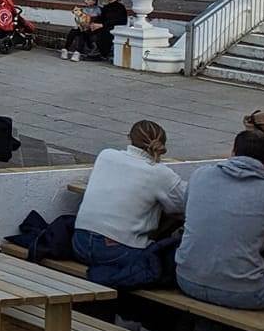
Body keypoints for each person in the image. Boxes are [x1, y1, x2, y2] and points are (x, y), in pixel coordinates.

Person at [176, 129, 264, 331]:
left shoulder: (201, 176)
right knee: (235, 276)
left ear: (233, 152)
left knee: (217, 267)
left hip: (186, 278)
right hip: (240, 290)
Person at [72, 120, 183, 289]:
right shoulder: (160, 173)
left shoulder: (106, 155)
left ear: (129, 138)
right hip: (117, 253)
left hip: (79, 243)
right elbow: (186, 204)